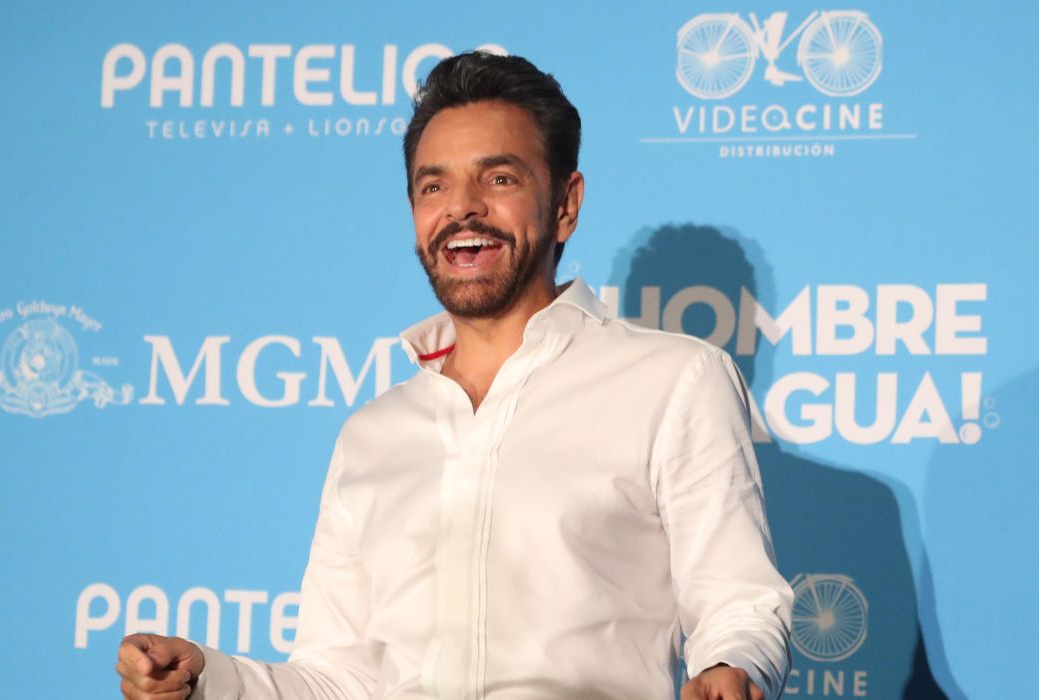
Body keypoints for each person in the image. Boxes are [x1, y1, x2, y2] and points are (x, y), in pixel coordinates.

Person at [116, 51, 792, 700]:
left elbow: (739, 601)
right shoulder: (373, 434)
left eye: (499, 179)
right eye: (433, 186)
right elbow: (339, 679)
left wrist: (729, 665)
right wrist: (205, 680)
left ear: (566, 204)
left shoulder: (674, 382)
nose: (461, 209)